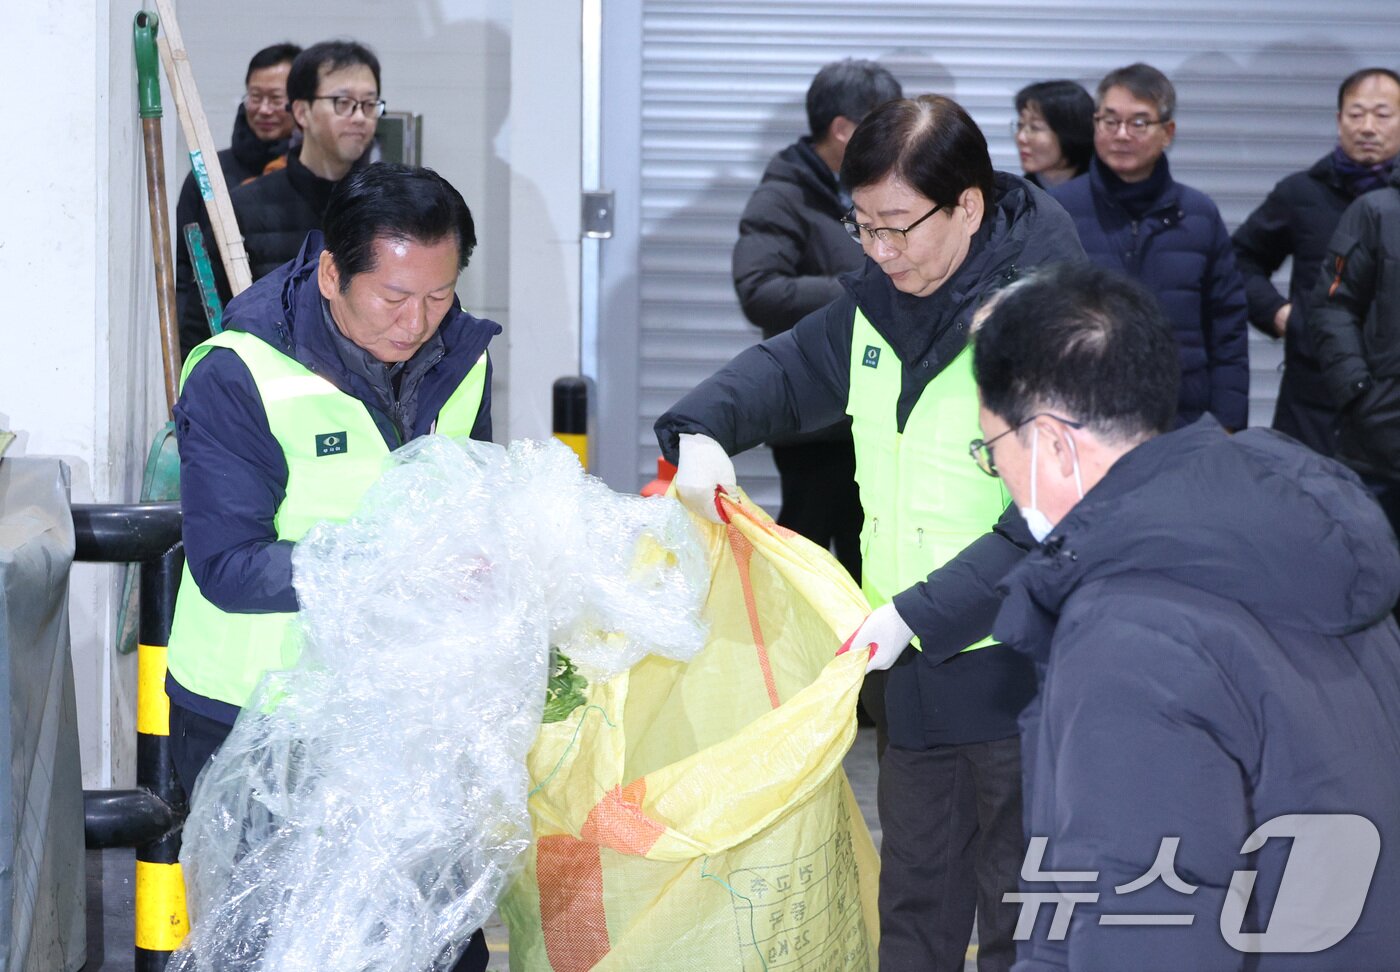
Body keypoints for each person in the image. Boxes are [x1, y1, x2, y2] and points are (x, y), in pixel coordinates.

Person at [656, 94, 1085, 972]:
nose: (880, 250)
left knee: (1028, 921)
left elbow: (1048, 519)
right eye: (864, 227)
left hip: (1026, 676)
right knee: (916, 911)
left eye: (898, 226)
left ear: (968, 206)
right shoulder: (878, 308)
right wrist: (698, 430)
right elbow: (782, 370)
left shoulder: (1053, 327)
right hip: (911, 673)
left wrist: (916, 614)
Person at [972, 261, 1400, 970]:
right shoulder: (1303, 548)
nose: (1002, 477)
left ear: (1052, 442)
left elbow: (1143, 930)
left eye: (993, 452)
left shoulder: (1127, 635)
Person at [166, 163, 499, 971]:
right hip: (258, 721)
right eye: (393, 297)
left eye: (439, 295)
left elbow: (467, 497)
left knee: (431, 942)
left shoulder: (464, 357)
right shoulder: (239, 374)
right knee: (273, 947)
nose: (417, 322)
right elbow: (229, 566)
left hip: (403, 708)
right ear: (329, 274)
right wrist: (392, 564)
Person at [731, 57, 901, 585]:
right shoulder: (784, 195)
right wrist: (862, 287)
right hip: (815, 417)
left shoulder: (869, 189)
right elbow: (759, 290)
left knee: (868, 555)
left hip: (869, 409)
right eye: (883, 125)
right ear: (843, 129)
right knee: (806, 559)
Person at [1050, 62, 1250, 430]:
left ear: (1167, 132)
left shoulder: (1199, 214)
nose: (1121, 134)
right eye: (1110, 121)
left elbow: (1228, 328)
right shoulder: (1059, 209)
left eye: (1139, 123)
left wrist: (1228, 423)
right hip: (1084, 417)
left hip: (1182, 418)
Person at [1233, 68, 1400, 456]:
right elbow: (1239, 259)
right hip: (1311, 397)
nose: (1367, 127)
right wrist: (1280, 315)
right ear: (1339, 120)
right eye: (1356, 114)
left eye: (1383, 114)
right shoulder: (1301, 193)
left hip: (1389, 400)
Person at [179, 40, 384, 357]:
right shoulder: (243, 209)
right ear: (301, 111)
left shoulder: (389, 210)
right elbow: (201, 329)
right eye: (343, 103)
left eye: (369, 104)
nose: (359, 117)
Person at [1310, 135, 1400, 587]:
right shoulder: (1377, 212)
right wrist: (1359, 392)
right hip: (1379, 439)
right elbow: (1333, 305)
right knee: (1370, 580)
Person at [173, 42, 301, 339]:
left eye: (276, 98)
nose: (264, 109)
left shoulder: (311, 181)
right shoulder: (210, 172)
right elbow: (182, 267)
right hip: (218, 336)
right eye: (255, 97)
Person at [1011, 80, 1094, 189]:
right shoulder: (1019, 192)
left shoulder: (1102, 190)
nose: (1021, 138)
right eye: (1020, 125)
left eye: (1035, 127)